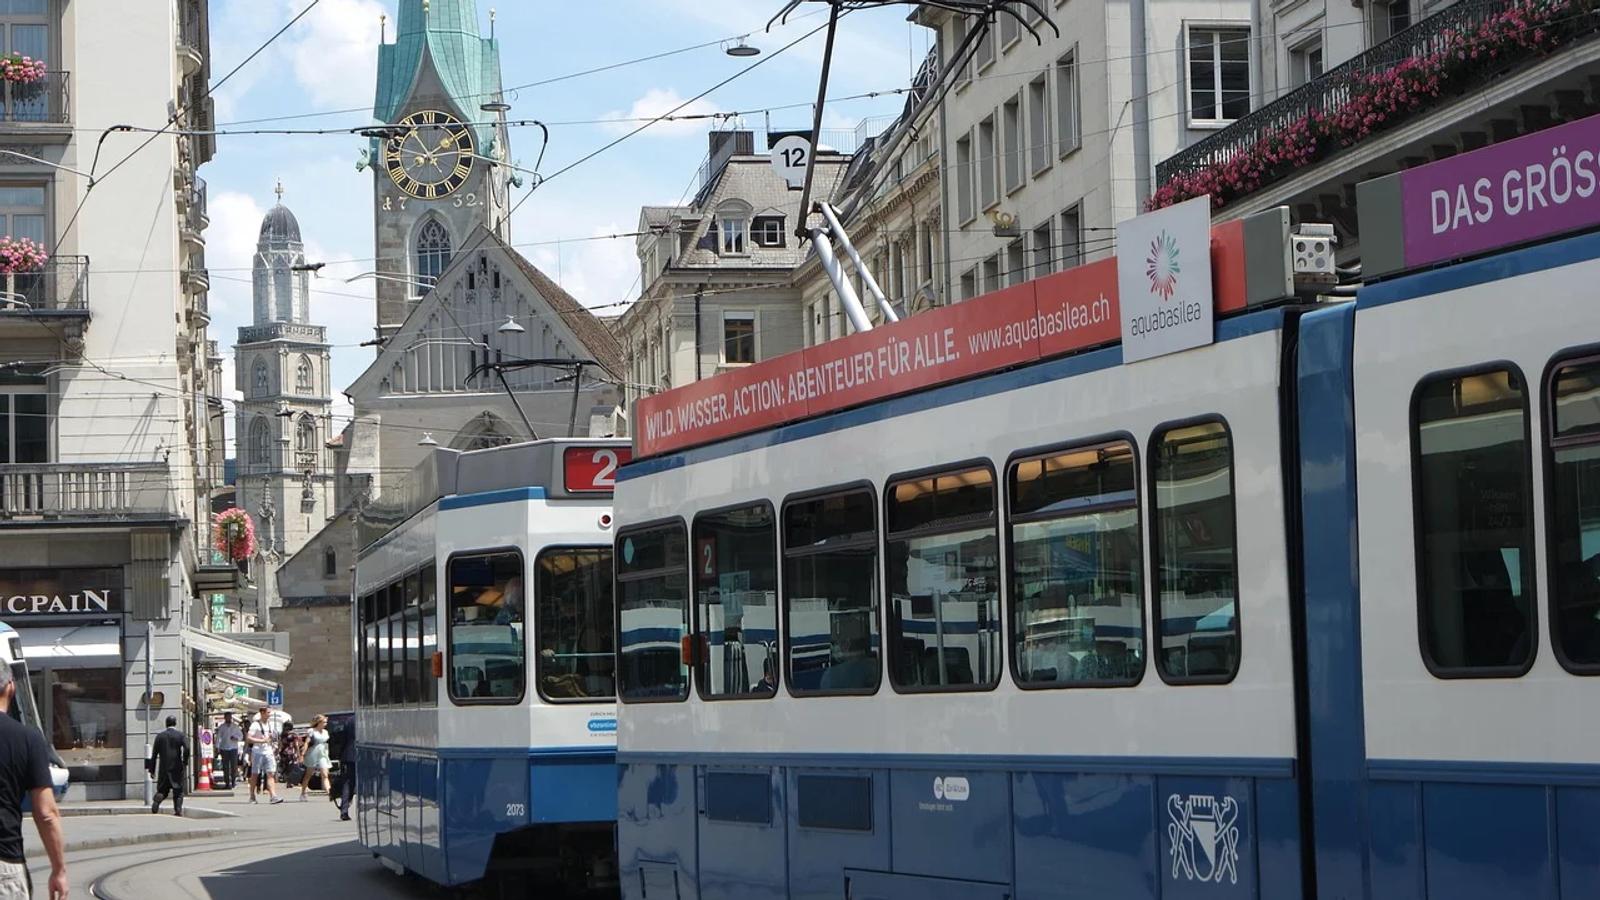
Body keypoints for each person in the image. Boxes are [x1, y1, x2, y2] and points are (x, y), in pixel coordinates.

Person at [0, 664, 66, 898]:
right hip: (5, 862)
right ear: (10, 688)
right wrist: (59, 870)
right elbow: (46, 813)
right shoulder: (27, 739)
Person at [146, 716, 189, 817]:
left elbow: (154, 754)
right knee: (178, 791)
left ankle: (156, 803)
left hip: (163, 768)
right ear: (175, 723)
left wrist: (152, 770)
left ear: (166, 724)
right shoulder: (180, 735)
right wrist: (185, 761)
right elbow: (187, 748)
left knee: (162, 790)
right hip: (177, 767)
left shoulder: (160, 736)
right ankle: (178, 810)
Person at [246, 707, 283, 805]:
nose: (269, 714)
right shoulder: (255, 725)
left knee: (270, 773)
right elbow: (249, 738)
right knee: (255, 774)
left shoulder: (270, 724)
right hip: (257, 752)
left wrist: (273, 739)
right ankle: (252, 796)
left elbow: (271, 737)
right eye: (268, 712)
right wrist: (262, 740)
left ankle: (273, 796)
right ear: (262, 713)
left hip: (268, 751)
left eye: (270, 712)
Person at [299, 716, 331, 801]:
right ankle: (303, 792)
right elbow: (307, 742)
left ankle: (329, 792)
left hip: (323, 753)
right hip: (313, 753)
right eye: (324, 722)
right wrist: (302, 754)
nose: (325, 724)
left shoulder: (325, 732)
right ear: (319, 722)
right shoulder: (311, 731)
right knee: (308, 774)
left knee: (325, 774)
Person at [335, 718, 356, 822]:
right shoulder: (370, 717)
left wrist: (340, 756)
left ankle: (344, 811)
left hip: (349, 756)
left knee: (348, 783)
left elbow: (343, 740)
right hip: (366, 755)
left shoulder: (349, 721)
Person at [215, 713, 242, 790]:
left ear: (231, 718)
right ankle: (227, 782)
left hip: (233, 748)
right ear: (224, 718)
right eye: (227, 717)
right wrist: (217, 747)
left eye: (229, 717)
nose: (228, 718)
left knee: (234, 766)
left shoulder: (235, 727)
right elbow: (218, 738)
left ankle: (233, 781)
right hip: (224, 748)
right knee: (225, 766)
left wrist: (236, 738)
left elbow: (241, 736)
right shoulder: (222, 727)